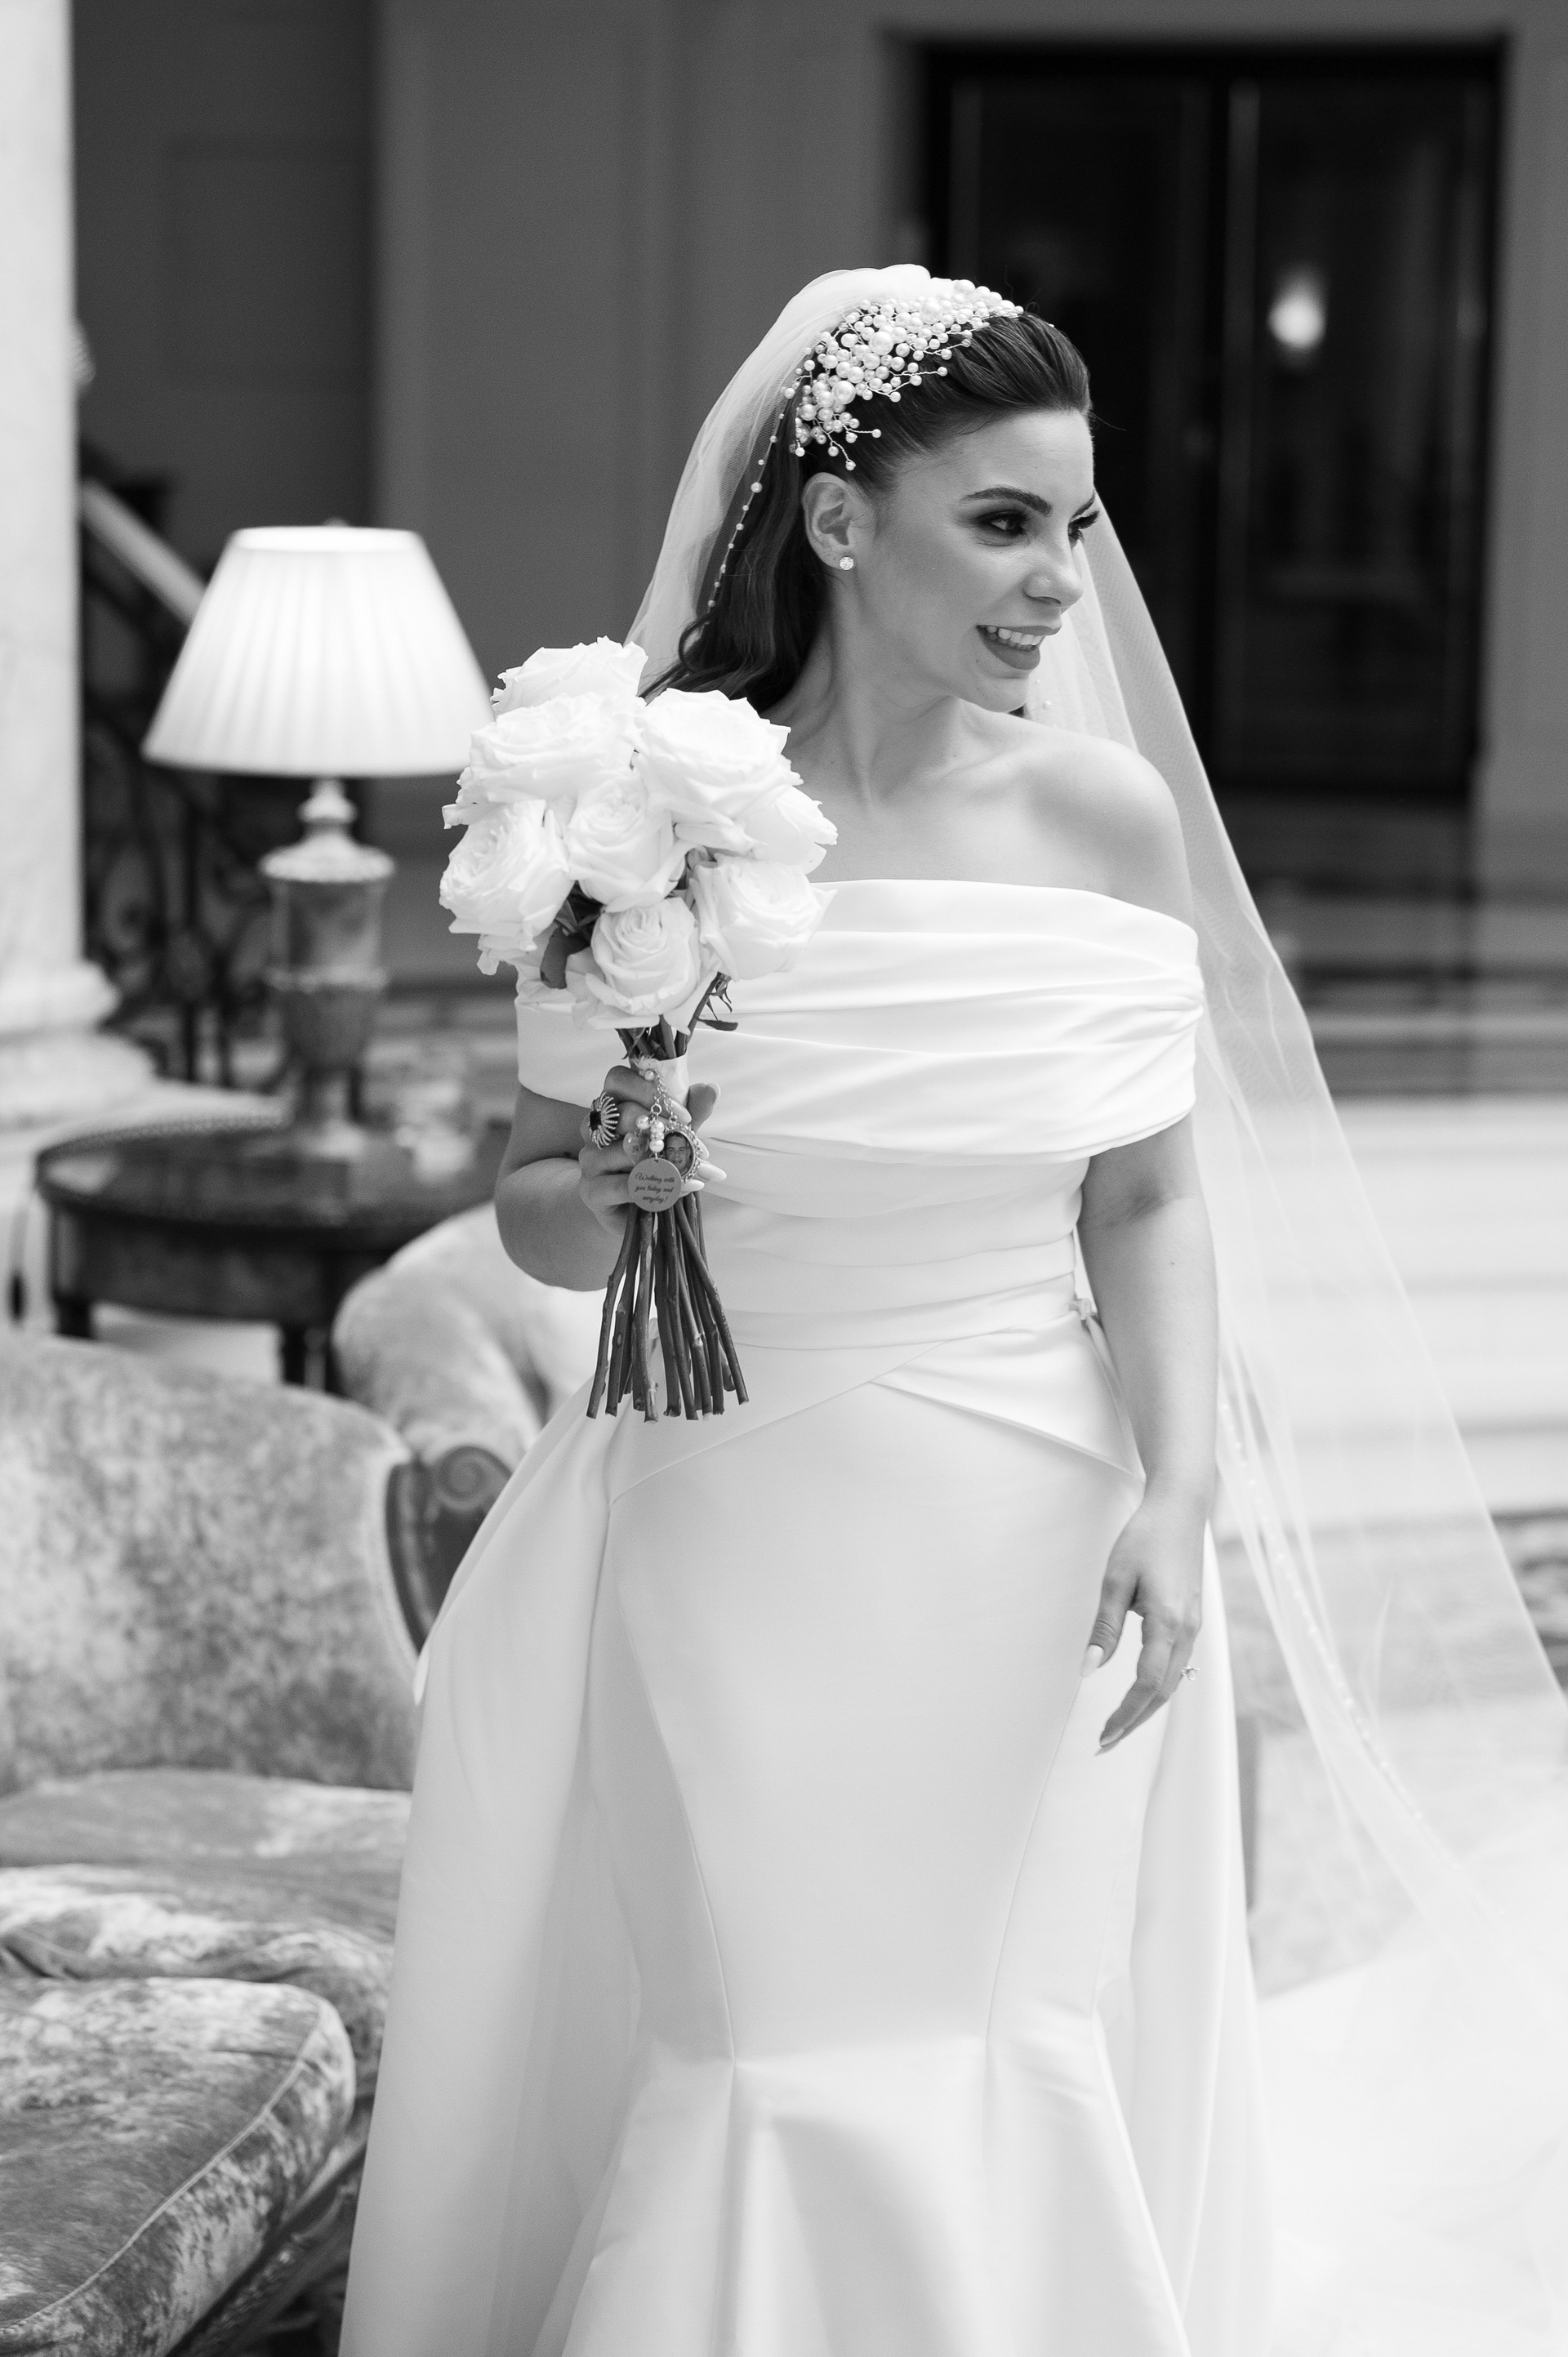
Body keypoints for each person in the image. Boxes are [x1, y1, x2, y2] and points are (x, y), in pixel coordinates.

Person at [344, 271, 1568, 2357]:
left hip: (1030, 1526)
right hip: (724, 1505)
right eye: (1005, 523)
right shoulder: (633, 825)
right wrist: (616, 1192)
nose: (1061, 582)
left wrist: (1179, 1493)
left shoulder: (1100, 821)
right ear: (839, 521)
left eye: (1075, 528)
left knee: (1008, 2009)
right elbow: (539, 1214)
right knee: (759, 2023)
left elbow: (1147, 1191)